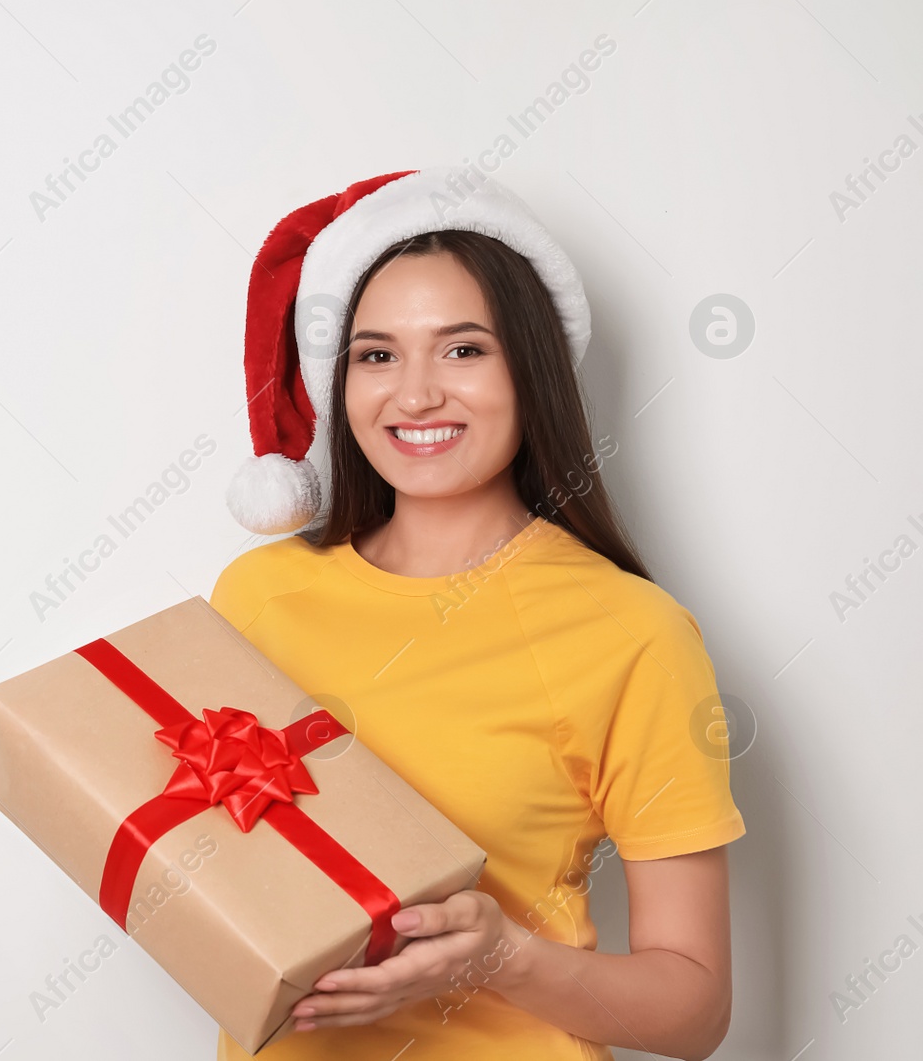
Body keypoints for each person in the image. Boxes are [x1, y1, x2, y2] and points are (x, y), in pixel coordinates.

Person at [211, 168, 745, 1061]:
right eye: (377, 355)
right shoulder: (256, 597)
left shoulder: (632, 631)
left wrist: (499, 956)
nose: (415, 395)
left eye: (463, 349)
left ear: (530, 370)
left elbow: (694, 1011)